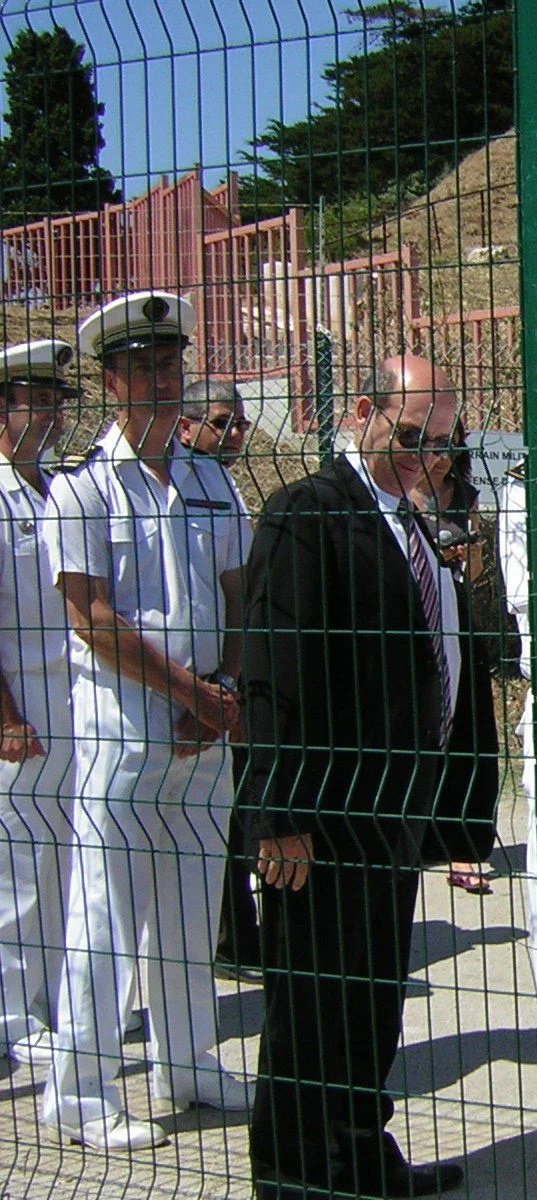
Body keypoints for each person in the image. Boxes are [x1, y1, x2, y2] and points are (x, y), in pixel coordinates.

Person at [239, 356, 500, 1199]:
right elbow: (273, 668)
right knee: (312, 1011)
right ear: (362, 413)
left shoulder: (412, 523)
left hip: (398, 809)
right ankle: (296, 1179)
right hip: (324, 815)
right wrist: (273, 814)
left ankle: (360, 1162)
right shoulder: (308, 514)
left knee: (371, 1003)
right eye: (414, 437)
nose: (430, 458)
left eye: (445, 444)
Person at [41, 292, 253, 1151]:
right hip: (126, 726)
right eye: (140, 368)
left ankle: (188, 1058)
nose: (160, 381)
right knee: (105, 911)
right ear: (108, 382)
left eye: (169, 365)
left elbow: (241, 593)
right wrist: (193, 694)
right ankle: (79, 1089)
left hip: (207, 718)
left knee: (192, 899)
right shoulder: (83, 488)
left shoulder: (210, 477)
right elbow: (91, 618)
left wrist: (227, 686)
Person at [0, 340, 79, 1069]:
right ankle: (16, 1011)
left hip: (70, 700)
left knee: (62, 860)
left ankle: (56, 999)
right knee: (21, 867)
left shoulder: (56, 489)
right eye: (37, 402)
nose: (52, 416)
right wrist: (5, 718)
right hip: (20, 701)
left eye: (58, 403)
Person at [177, 378, 262, 984]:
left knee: (227, 812)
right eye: (218, 422)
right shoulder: (182, 481)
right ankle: (228, 935)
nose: (232, 434)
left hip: (229, 670)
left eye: (240, 424)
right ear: (186, 427)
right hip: (188, 677)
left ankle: (233, 930)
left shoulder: (223, 482)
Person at [408, 423, 492, 895]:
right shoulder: (395, 497)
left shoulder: (465, 494)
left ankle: (463, 845)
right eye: (428, 445)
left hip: (456, 614)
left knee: (468, 728)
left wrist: (467, 553)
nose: (438, 456)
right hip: (410, 618)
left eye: (448, 446)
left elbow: (476, 573)